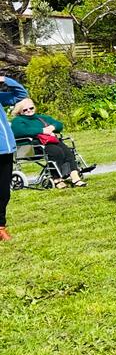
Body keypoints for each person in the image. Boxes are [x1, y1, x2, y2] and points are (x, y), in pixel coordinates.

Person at [10, 99, 86, 188]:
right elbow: (19, 131)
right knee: (55, 151)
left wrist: (52, 127)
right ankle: (57, 179)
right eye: (25, 110)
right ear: (19, 111)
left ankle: (75, 176)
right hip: (30, 146)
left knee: (67, 151)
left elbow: (59, 124)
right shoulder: (18, 121)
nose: (29, 111)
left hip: (48, 142)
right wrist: (42, 131)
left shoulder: (41, 118)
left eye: (31, 108)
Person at [0, 75, 29, 241]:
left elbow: (20, 95)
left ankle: (1, 227)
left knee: (4, 192)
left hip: (5, 150)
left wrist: (4, 79)